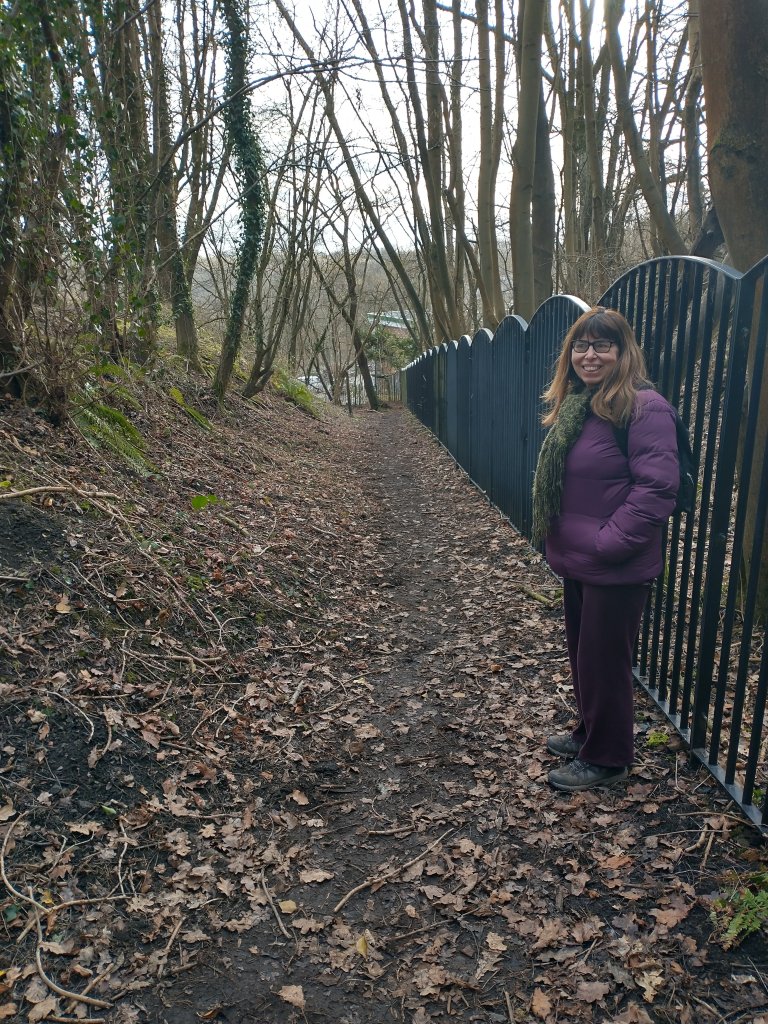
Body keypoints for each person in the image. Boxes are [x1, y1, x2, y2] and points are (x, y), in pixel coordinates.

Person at [531, 307, 679, 792]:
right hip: (581, 561)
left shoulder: (643, 407)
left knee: (605, 662)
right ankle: (589, 733)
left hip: (614, 563)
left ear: (623, 351)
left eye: (602, 345)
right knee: (584, 656)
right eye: (581, 345)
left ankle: (608, 757)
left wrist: (608, 543)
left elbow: (657, 488)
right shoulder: (582, 404)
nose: (589, 355)